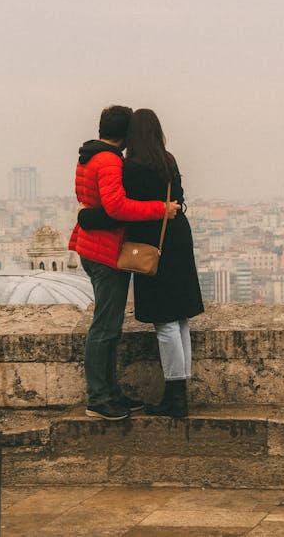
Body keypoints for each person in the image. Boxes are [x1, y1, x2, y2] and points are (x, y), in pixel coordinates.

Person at [78, 108, 204, 418]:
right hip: (176, 241)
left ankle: (174, 396)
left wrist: (86, 216)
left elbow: (118, 208)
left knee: (165, 321)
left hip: (152, 247)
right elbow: (178, 198)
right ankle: (179, 392)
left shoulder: (131, 167)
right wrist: (165, 208)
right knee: (179, 318)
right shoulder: (167, 160)